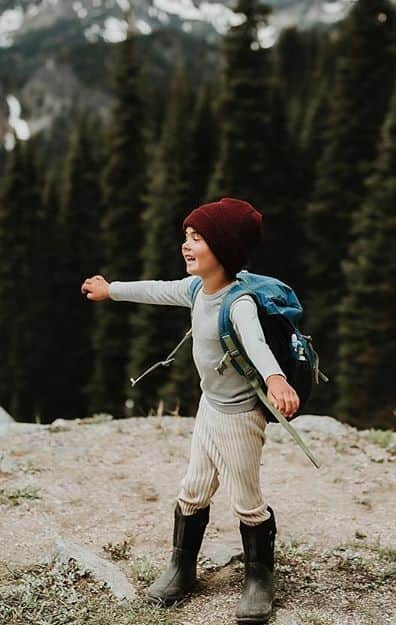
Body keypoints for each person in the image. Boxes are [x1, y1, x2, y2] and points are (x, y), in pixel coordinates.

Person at [80, 197, 299, 623]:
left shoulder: (239, 303)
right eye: (186, 236)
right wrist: (112, 290)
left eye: (197, 238)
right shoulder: (198, 288)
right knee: (193, 490)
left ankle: (259, 578)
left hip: (239, 417)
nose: (186, 245)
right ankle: (181, 569)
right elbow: (157, 289)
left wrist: (275, 379)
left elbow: (255, 343)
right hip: (209, 410)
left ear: (224, 249)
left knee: (247, 500)